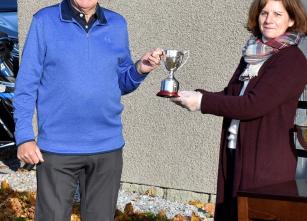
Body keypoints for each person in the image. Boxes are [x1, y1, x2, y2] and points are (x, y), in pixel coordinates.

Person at [13, 0, 162, 220]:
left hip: (106, 148)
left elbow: (121, 82)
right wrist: (24, 136)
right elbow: (26, 84)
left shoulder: (117, 24)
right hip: (57, 149)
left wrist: (140, 69)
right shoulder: (44, 21)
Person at [171, 0, 307, 220]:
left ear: (291, 20)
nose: (268, 19)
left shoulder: (291, 60)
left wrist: (203, 102)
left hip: (265, 165)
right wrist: (193, 95)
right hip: (235, 152)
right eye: (264, 12)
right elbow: (232, 96)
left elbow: (254, 105)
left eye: (277, 14)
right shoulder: (253, 54)